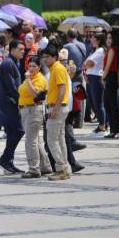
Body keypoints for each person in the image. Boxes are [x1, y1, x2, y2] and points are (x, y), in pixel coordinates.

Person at [19, 56, 52, 178]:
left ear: (39, 67)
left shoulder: (39, 79)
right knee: (36, 141)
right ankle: (45, 166)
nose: (31, 68)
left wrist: (27, 79)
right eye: (30, 66)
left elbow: (35, 94)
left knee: (30, 141)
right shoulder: (30, 77)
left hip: (33, 110)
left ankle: (34, 169)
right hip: (26, 110)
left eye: (34, 66)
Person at [42, 47, 71, 180]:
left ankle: (61, 169)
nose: (45, 59)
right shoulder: (54, 68)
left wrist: (55, 108)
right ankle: (64, 168)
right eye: (44, 56)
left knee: (51, 140)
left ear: (54, 57)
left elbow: (62, 89)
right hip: (58, 107)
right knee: (59, 139)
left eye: (48, 56)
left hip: (57, 108)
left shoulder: (57, 68)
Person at [0, 40, 25, 174]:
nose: (23, 52)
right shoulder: (7, 63)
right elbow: (11, 86)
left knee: (12, 132)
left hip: (11, 101)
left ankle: (8, 163)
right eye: (20, 49)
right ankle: (4, 159)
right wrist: (21, 101)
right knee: (19, 130)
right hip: (9, 101)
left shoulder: (15, 62)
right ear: (12, 49)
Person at [85, 33, 107, 135]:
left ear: (98, 40)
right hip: (91, 77)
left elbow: (89, 63)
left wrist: (85, 64)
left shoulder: (100, 51)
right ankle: (101, 124)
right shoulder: (94, 50)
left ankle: (102, 126)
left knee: (98, 103)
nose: (91, 40)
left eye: (93, 39)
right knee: (93, 102)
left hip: (96, 77)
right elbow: (86, 64)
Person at [102, 30, 119, 137]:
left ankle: (114, 130)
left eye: (110, 38)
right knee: (109, 104)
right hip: (112, 77)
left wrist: (103, 77)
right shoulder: (116, 49)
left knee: (110, 104)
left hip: (110, 76)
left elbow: (108, 66)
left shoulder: (112, 50)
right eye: (107, 38)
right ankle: (114, 129)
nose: (108, 40)